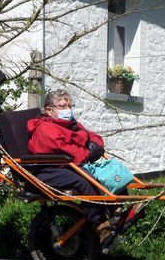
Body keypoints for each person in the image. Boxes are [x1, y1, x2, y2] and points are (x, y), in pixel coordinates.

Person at [27, 89, 113, 241]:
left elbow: (91, 135)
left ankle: (117, 209)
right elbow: (65, 150)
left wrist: (96, 145)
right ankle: (100, 226)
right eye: (62, 106)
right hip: (48, 169)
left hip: (67, 165)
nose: (68, 109)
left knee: (111, 172)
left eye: (69, 105)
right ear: (49, 110)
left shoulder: (71, 124)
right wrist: (87, 153)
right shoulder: (45, 128)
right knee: (85, 182)